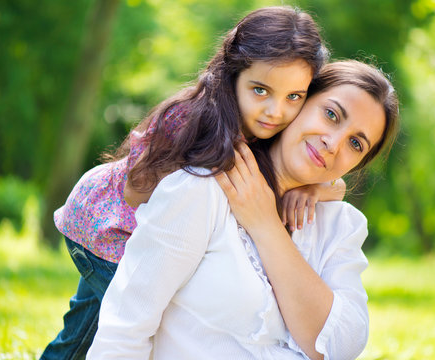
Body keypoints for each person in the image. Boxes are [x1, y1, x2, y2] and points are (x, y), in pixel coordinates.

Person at [40, 6, 339, 360]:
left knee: (79, 335)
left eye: (294, 97)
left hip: (125, 237)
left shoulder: (273, 127)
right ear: (233, 75)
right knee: (140, 326)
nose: (276, 111)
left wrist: (311, 187)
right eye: (260, 90)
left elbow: (336, 185)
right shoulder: (192, 123)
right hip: (106, 229)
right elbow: (136, 192)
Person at [86, 60, 400, 360]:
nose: (333, 143)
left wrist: (267, 227)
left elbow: (341, 346)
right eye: (331, 114)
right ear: (298, 101)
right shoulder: (204, 189)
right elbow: (126, 325)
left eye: (356, 144)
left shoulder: (340, 224)